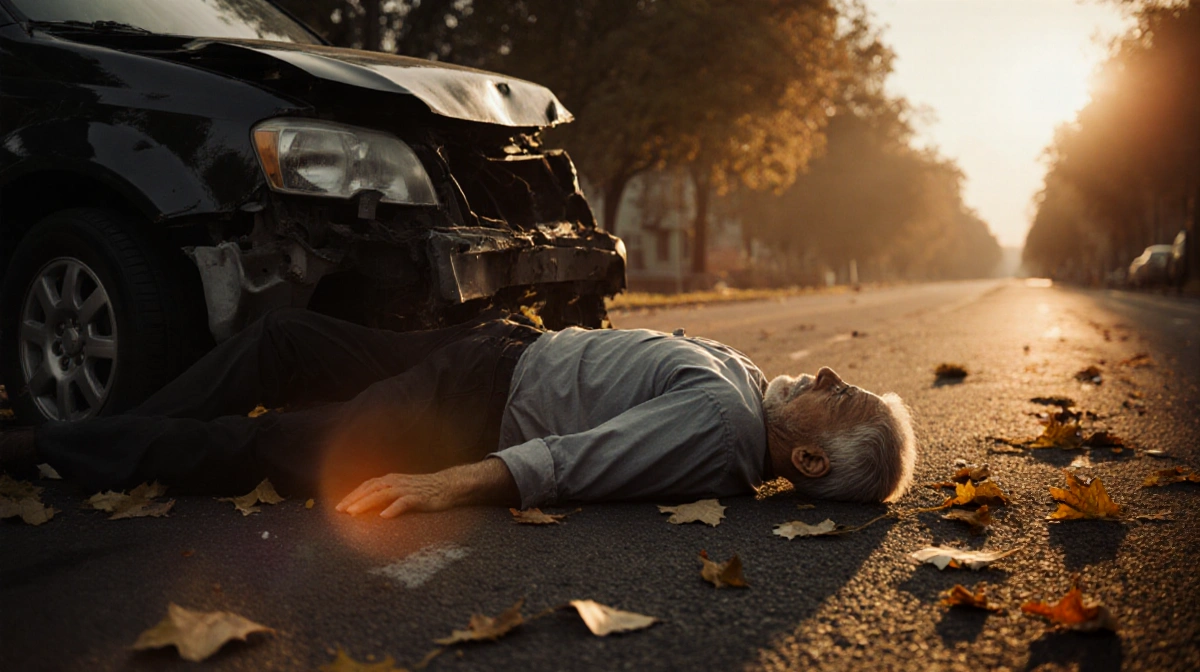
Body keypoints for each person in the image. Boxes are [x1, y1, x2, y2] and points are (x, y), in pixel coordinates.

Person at [0, 308, 917, 517]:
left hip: (469, 401)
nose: (829, 372)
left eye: (841, 397)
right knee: (283, 342)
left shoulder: (722, 426)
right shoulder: (745, 385)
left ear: (806, 462)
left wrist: (441, 487)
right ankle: (102, 427)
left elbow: (575, 457)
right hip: (491, 349)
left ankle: (47, 445)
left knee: (265, 443)